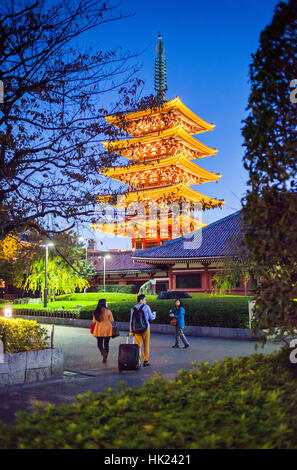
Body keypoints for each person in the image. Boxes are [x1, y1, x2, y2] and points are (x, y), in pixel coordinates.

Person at [130, 294, 156, 367]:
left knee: (138, 345)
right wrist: (154, 314)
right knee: (146, 345)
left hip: (136, 329)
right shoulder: (146, 307)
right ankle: (145, 361)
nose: (145, 301)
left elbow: (131, 320)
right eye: (145, 299)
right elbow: (151, 318)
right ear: (141, 300)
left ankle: (137, 361)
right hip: (145, 328)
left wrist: (131, 330)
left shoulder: (133, 308)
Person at [92, 298, 114, 363]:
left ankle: (103, 352)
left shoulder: (96, 312)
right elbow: (112, 320)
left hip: (99, 329)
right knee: (106, 344)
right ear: (104, 303)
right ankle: (105, 357)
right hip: (107, 329)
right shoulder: (108, 311)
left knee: (99, 344)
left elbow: (94, 321)